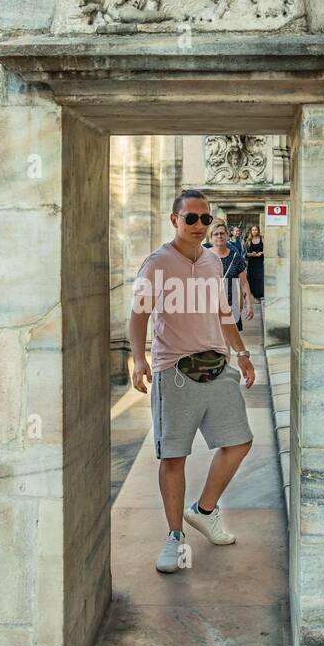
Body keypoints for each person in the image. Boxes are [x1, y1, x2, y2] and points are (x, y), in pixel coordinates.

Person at [129, 189, 255, 575]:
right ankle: (173, 537)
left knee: (239, 442)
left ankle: (203, 510)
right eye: (191, 218)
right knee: (173, 456)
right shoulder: (156, 264)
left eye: (205, 218)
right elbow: (138, 317)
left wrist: (243, 352)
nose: (199, 225)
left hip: (219, 367)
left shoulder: (212, 263)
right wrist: (138, 358)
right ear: (175, 220)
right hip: (175, 370)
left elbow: (222, 313)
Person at [208, 219, 252, 330]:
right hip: (209, 305)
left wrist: (249, 304)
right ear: (211, 237)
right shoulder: (203, 256)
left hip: (231, 304)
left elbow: (244, 282)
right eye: (216, 234)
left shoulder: (235, 256)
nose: (219, 236)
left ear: (227, 235)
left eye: (222, 233)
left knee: (229, 341)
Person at [244, 223, 264, 303]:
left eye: (256, 229)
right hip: (252, 262)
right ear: (251, 231)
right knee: (252, 277)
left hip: (259, 262)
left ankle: (260, 295)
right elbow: (245, 253)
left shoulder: (262, 239)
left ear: (258, 230)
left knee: (260, 277)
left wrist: (261, 253)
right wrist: (251, 254)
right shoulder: (248, 240)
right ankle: (252, 295)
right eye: (253, 230)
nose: (254, 231)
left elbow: (266, 250)